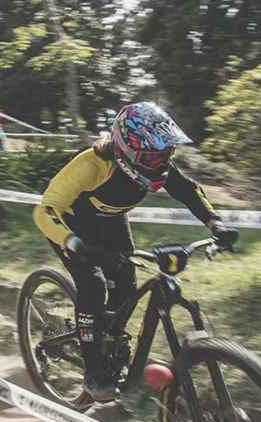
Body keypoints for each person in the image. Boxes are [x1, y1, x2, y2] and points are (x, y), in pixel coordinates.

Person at [33, 102, 238, 402]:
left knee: (126, 285)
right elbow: (44, 211)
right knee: (94, 284)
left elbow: (188, 191)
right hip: (71, 228)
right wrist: (76, 244)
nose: (162, 163)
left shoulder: (157, 166)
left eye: (167, 153)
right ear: (127, 151)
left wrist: (215, 224)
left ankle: (110, 340)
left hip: (111, 221)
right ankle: (94, 372)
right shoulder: (91, 165)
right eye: (154, 156)